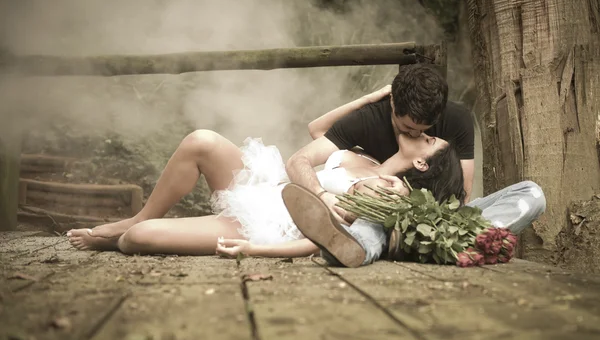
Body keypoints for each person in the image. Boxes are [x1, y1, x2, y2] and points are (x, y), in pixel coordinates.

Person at [281, 63, 546, 267]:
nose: (417, 135)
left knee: (532, 193)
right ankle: (368, 246)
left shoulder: (457, 121)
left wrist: (418, 209)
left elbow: (460, 199)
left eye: (427, 131)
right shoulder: (370, 119)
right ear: (393, 103)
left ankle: (465, 241)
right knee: (378, 219)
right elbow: (308, 149)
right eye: (407, 128)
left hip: (443, 219)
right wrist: (324, 197)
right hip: (391, 220)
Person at [66, 126, 465, 258]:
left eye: (430, 142)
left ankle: (126, 232)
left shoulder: (392, 195)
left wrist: (257, 251)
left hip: (270, 223)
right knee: (201, 140)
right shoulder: (367, 159)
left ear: (422, 165)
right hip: (267, 185)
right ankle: (136, 215)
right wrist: (373, 97)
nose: (425, 134)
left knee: (137, 241)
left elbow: (332, 240)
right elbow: (317, 126)